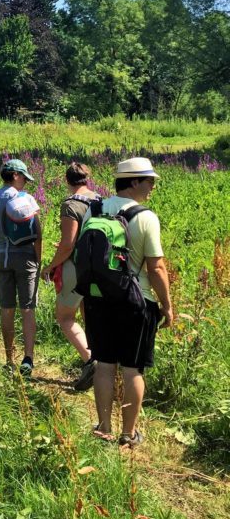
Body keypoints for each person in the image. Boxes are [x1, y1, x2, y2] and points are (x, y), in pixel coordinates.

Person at [84, 157, 174, 447]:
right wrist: (167, 306)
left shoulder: (94, 209)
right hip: (137, 302)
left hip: (98, 299)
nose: (152, 187)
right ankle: (128, 434)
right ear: (134, 181)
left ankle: (104, 428)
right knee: (133, 369)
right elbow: (156, 268)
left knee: (105, 365)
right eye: (150, 181)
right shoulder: (145, 216)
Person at [0, 158, 42, 376]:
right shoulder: (27, 199)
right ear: (15, 175)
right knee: (27, 308)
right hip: (25, 258)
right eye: (24, 177)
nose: (25, 182)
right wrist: (39, 261)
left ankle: (8, 358)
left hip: (2, 259)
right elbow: (38, 235)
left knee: (7, 308)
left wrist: (2, 238)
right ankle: (28, 359)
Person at [42, 162, 99, 392]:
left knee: (65, 316)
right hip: (99, 267)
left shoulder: (70, 204)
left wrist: (49, 267)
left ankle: (90, 360)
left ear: (67, 180)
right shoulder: (99, 200)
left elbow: (67, 245)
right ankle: (104, 362)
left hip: (76, 268)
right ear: (87, 178)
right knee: (90, 315)